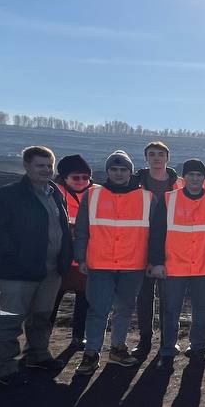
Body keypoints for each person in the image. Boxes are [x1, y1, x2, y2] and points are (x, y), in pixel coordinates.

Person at [0, 145, 72, 385]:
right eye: (40, 165)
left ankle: (38, 355)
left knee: (42, 316)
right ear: (26, 166)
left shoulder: (55, 193)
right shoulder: (7, 195)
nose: (46, 170)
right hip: (18, 272)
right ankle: (4, 367)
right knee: (11, 318)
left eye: (49, 166)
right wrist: (15, 256)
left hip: (51, 270)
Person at [73, 151, 153, 375]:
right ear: (107, 171)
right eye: (114, 169)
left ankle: (118, 348)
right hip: (100, 264)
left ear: (130, 172)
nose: (119, 173)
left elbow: (154, 234)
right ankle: (91, 353)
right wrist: (81, 257)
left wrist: (151, 261)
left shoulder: (146, 198)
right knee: (98, 310)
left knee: (124, 309)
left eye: (123, 169)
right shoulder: (92, 195)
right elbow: (81, 229)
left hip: (132, 265)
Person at [148, 159, 205, 370]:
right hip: (174, 266)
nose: (195, 179)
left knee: (201, 311)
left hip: (204, 266)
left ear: (204, 178)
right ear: (184, 177)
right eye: (191, 174)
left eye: (199, 175)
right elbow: (157, 234)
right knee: (170, 310)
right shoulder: (169, 199)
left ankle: (199, 348)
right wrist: (157, 263)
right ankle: (167, 350)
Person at [132, 141, 181, 358]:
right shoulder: (135, 183)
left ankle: (167, 341)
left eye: (160, 154)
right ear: (146, 158)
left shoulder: (178, 184)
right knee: (144, 296)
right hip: (140, 245)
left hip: (171, 245)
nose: (156, 158)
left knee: (168, 297)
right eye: (152, 154)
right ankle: (145, 339)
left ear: (167, 158)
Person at [49, 153, 93, 349]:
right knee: (51, 301)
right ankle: (41, 338)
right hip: (59, 258)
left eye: (85, 177)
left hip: (84, 258)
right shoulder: (52, 192)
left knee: (84, 300)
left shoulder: (96, 193)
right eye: (76, 177)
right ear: (64, 177)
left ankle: (78, 336)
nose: (81, 181)